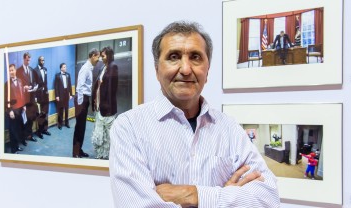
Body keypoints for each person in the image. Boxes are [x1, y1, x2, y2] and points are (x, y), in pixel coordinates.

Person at [109, 21, 280, 207]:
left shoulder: (228, 128)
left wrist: (194, 195)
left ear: (207, 71)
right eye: (173, 57)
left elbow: (268, 199)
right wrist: (226, 195)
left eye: (195, 57)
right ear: (157, 70)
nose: (185, 69)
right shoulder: (129, 127)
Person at [91, 46, 118, 160]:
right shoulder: (103, 67)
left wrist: (107, 106)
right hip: (99, 105)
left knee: (108, 134)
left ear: (109, 55)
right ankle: (101, 154)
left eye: (103, 56)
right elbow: (99, 83)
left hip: (107, 108)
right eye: (101, 56)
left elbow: (112, 89)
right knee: (99, 132)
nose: (102, 58)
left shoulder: (113, 67)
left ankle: (108, 156)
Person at [72, 48, 100, 158]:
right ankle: (75, 153)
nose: (98, 59)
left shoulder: (89, 68)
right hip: (81, 100)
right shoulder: (85, 68)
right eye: (98, 57)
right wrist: (80, 105)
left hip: (84, 99)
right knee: (79, 127)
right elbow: (79, 87)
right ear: (93, 56)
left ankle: (79, 150)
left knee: (82, 127)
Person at [16, 52, 38, 143]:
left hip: (31, 98)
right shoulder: (18, 70)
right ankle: (23, 138)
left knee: (31, 118)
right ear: (23, 59)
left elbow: (33, 82)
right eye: (27, 60)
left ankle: (29, 135)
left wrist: (34, 87)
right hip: (23, 100)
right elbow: (16, 86)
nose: (28, 62)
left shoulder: (32, 70)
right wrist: (23, 88)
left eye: (29, 60)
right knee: (23, 120)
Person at [5, 64, 26, 153]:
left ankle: (16, 146)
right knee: (12, 130)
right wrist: (10, 111)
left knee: (17, 129)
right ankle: (13, 150)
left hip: (20, 109)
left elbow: (22, 94)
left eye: (12, 70)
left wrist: (24, 105)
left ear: (15, 70)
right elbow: (6, 99)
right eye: (9, 71)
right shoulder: (7, 84)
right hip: (13, 110)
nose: (11, 72)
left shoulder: (20, 81)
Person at [33, 56, 51, 139]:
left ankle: (45, 129)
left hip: (45, 94)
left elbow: (46, 82)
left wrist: (47, 90)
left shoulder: (45, 69)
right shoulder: (35, 70)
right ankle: (39, 131)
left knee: (45, 112)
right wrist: (35, 96)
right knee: (41, 114)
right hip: (39, 94)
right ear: (38, 61)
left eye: (44, 60)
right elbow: (34, 83)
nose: (43, 61)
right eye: (41, 60)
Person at [54, 63, 73, 130]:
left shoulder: (68, 75)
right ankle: (60, 123)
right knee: (61, 109)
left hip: (66, 94)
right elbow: (56, 87)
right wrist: (57, 96)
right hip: (60, 94)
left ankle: (67, 123)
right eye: (64, 67)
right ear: (61, 68)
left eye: (65, 67)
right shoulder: (57, 76)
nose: (65, 68)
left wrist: (71, 94)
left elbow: (70, 85)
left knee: (67, 109)